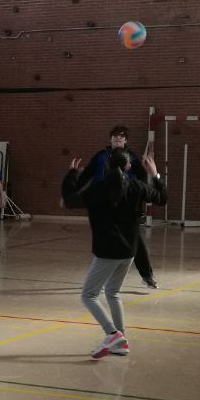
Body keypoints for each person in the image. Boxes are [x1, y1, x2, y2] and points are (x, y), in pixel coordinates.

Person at [63, 148, 166, 358]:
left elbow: (69, 199)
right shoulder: (137, 186)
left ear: (107, 166)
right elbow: (162, 198)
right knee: (112, 292)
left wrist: (71, 175)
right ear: (128, 166)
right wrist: (155, 174)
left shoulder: (97, 189)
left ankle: (112, 334)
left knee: (88, 295)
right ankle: (121, 343)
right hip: (129, 252)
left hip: (107, 252)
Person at [69, 125, 158, 287]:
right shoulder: (100, 156)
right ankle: (101, 278)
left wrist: (139, 200)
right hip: (104, 207)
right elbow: (87, 174)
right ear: (110, 138)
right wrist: (74, 188)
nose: (118, 138)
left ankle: (147, 276)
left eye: (121, 136)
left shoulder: (131, 157)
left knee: (136, 241)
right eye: (115, 135)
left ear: (126, 140)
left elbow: (142, 178)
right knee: (104, 242)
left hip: (125, 207)